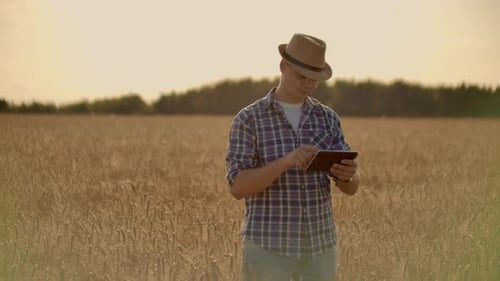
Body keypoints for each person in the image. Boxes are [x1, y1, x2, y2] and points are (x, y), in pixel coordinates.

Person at [225, 33, 360, 281]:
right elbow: (238, 187)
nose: (308, 84)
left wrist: (348, 176)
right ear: (283, 66)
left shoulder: (328, 118)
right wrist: (287, 161)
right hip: (268, 250)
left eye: (314, 79)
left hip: (320, 248)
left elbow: (351, 188)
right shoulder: (249, 119)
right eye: (301, 76)